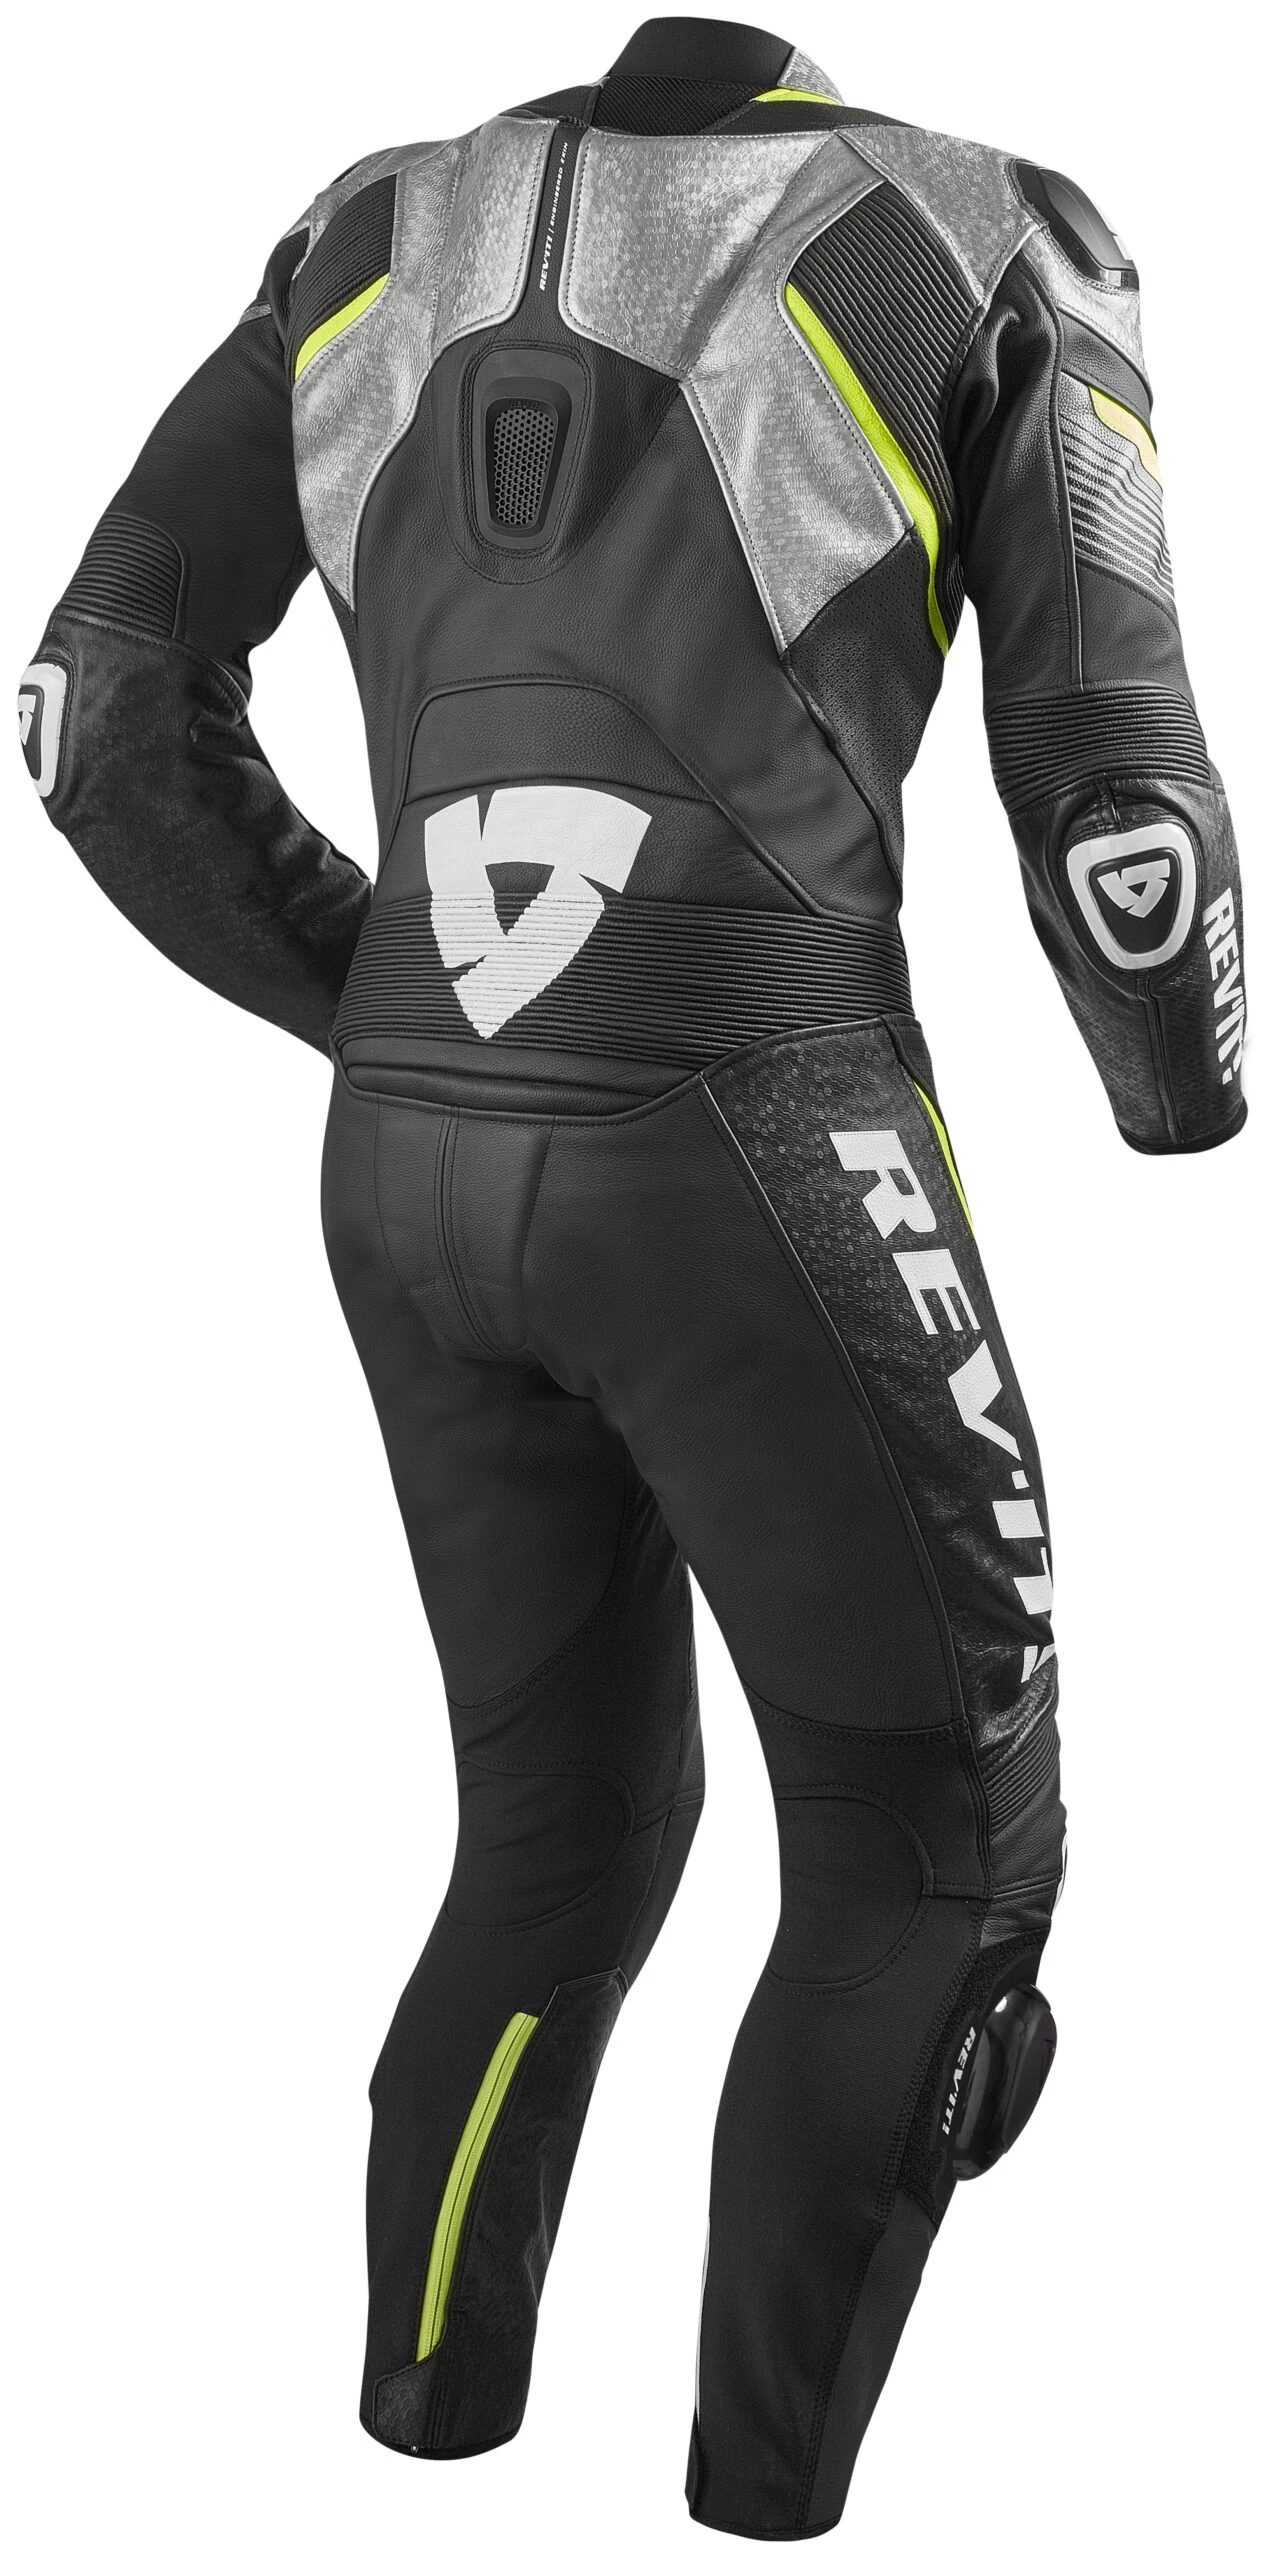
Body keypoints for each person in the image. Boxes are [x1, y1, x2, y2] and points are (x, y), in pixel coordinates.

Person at [18, 17, 1246, 2537]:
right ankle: (762, 2503)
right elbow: (1120, 794)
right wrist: (1187, 1088)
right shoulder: (986, 228)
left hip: (409, 1162)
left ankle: (423, 2429)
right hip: (764, 1138)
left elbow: (93, 705)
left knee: (560, 1827)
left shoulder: (365, 231)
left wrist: (395, 1000)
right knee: (936, 1867)